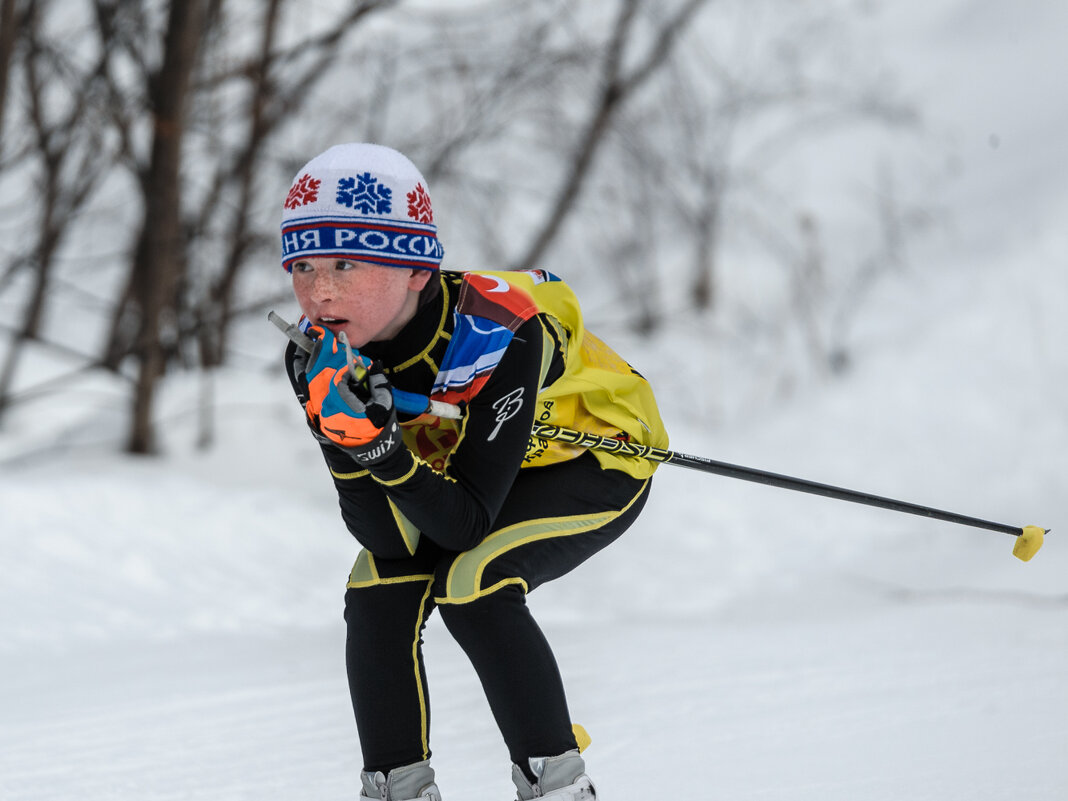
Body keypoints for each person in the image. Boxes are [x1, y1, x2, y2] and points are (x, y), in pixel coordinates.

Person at [279, 143, 669, 801]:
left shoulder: (497, 332)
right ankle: (397, 788)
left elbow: (464, 526)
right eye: (303, 265)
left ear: (415, 270)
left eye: (346, 264)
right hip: (476, 473)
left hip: (596, 456)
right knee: (376, 587)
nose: (319, 290)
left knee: (474, 582)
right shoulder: (319, 352)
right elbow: (385, 535)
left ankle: (559, 786)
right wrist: (343, 438)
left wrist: (379, 451)